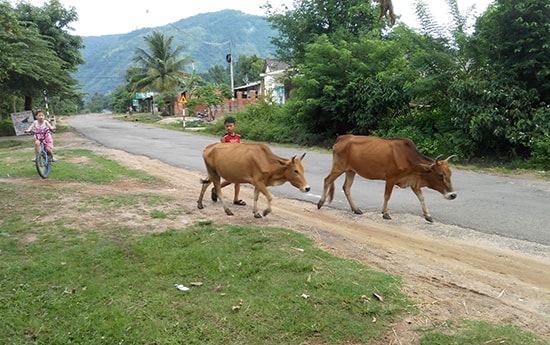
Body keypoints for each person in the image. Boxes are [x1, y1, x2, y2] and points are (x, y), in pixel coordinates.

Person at [211, 116, 246, 206]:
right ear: (225, 127)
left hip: (237, 161)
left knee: (238, 181)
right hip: (228, 162)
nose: (229, 128)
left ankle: (236, 199)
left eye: (230, 126)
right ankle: (216, 189)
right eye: (227, 126)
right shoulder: (225, 138)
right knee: (231, 179)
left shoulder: (238, 137)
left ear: (235, 126)